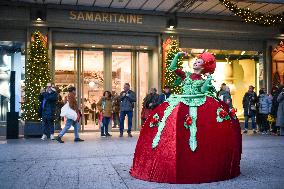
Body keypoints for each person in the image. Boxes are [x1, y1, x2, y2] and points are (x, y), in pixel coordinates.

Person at [130, 52, 241, 184]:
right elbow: (172, 68)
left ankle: (198, 161)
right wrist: (177, 55)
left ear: (205, 66)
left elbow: (204, 89)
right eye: (195, 61)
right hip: (182, 101)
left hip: (199, 102)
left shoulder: (203, 79)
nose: (195, 62)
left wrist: (208, 80)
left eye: (199, 61)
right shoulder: (187, 75)